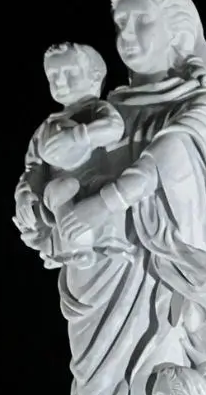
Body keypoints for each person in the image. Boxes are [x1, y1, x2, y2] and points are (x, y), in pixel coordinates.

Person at [19, 0, 206, 395]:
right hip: (93, 277)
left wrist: (105, 204)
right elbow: (46, 165)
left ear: (179, 32)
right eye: (121, 25)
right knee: (93, 392)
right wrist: (34, 203)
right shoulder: (107, 107)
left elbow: (173, 155)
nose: (129, 36)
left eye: (144, 22)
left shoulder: (199, 106)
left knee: (148, 391)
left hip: (158, 279)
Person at [14, 43, 128, 270]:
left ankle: (106, 241)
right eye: (53, 76)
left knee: (103, 193)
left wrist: (79, 136)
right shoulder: (46, 128)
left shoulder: (97, 109)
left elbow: (114, 127)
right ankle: (75, 248)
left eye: (70, 73)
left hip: (94, 184)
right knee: (57, 190)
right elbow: (33, 168)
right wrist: (25, 195)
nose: (60, 82)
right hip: (61, 191)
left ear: (95, 77)